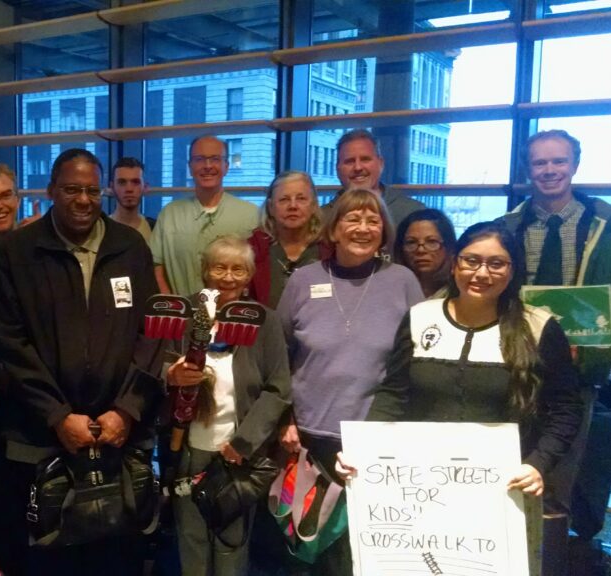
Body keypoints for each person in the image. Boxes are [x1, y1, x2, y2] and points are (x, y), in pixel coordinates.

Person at [358, 221, 584, 570]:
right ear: (454, 263)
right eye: (471, 260)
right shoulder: (420, 317)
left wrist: (539, 464)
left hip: (504, 494)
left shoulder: (538, 327)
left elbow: (567, 407)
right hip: (420, 490)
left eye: (497, 263)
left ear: (513, 270)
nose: (481, 272)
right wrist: (366, 451)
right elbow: (394, 393)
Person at [0, 148, 163, 575]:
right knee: (48, 559)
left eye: (90, 190)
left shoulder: (130, 246)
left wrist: (126, 410)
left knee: (116, 559)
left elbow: (153, 334)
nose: (83, 200)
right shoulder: (18, 252)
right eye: (71, 189)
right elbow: (11, 343)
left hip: (117, 438)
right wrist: (58, 415)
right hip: (42, 437)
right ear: (51, 191)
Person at [275, 188, 423, 574]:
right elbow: (279, 357)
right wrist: (284, 418)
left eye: (373, 220)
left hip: (376, 440)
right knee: (307, 551)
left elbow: (415, 363)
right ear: (333, 230)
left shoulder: (403, 281)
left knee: (364, 554)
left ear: (384, 231)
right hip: (308, 439)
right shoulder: (303, 280)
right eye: (352, 219)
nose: (363, 228)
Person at [498, 129, 611, 568]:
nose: (549, 171)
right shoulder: (509, 226)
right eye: (540, 163)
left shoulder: (607, 226)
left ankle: (557, 557)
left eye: (559, 162)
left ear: (575, 165)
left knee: (564, 472)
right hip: (520, 367)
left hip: (582, 371)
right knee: (515, 466)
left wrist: (599, 355)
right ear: (528, 169)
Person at [166, 235, 293, 576]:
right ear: (205, 271)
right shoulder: (182, 312)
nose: (228, 277)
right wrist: (172, 375)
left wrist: (244, 442)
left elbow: (278, 387)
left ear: (250, 275)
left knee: (232, 542)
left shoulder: (263, 320)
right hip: (187, 450)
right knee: (191, 540)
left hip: (236, 452)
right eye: (219, 267)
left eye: (238, 269)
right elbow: (157, 365)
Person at [151, 135, 258, 296]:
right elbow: (156, 264)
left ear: (226, 166)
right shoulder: (170, 215)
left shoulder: (251, 216)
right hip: (182, 315)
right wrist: (172, 306)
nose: (207, 166)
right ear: (190, 166)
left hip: (234, 316)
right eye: (199, 159)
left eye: (215, 159)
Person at [247, 170, 322, 309]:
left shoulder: (330, 252)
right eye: (284, 199)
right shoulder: (252, 252)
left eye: (301, 198)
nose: (293, 206)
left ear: (313, 206)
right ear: (270, 207)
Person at [323, 129, 425, 229]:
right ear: (337, 168)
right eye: (349, 161)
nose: (358, 167)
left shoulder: (413, 213)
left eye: (365, 159)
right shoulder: (321, 218)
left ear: (381, 163)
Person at [393, 208, 457, 299]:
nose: (421, 250)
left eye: (431, 241)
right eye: (411, 242)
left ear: (448, 246)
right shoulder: (391, 289)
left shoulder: (460, 292)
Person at [109, 156, 155, 242]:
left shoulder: (154, 229)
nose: (129, 189)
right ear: (112, 187)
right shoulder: (100, 229)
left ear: (145, 187)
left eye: (135, 182)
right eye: (122, 182)